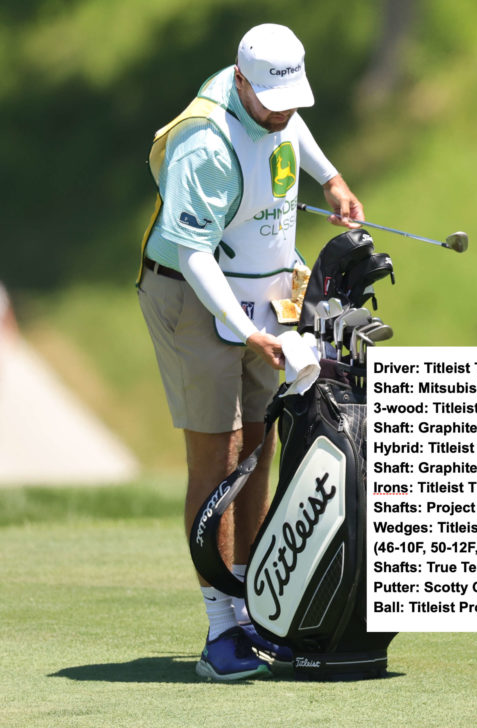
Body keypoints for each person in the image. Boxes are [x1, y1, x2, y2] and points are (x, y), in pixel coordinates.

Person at [136, 23, 363, 682]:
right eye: (271, 97)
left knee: (260, 444)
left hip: (261, 297)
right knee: (219, 451)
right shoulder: (203, 144)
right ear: (240, 84)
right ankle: (220, 631)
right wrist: (243, 325)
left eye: (292, 96)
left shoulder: (276, 106)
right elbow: (193, 253)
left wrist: (333, 179)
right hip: (192, 301)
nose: (283, 109)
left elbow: (293, 134)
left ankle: (252, 606)